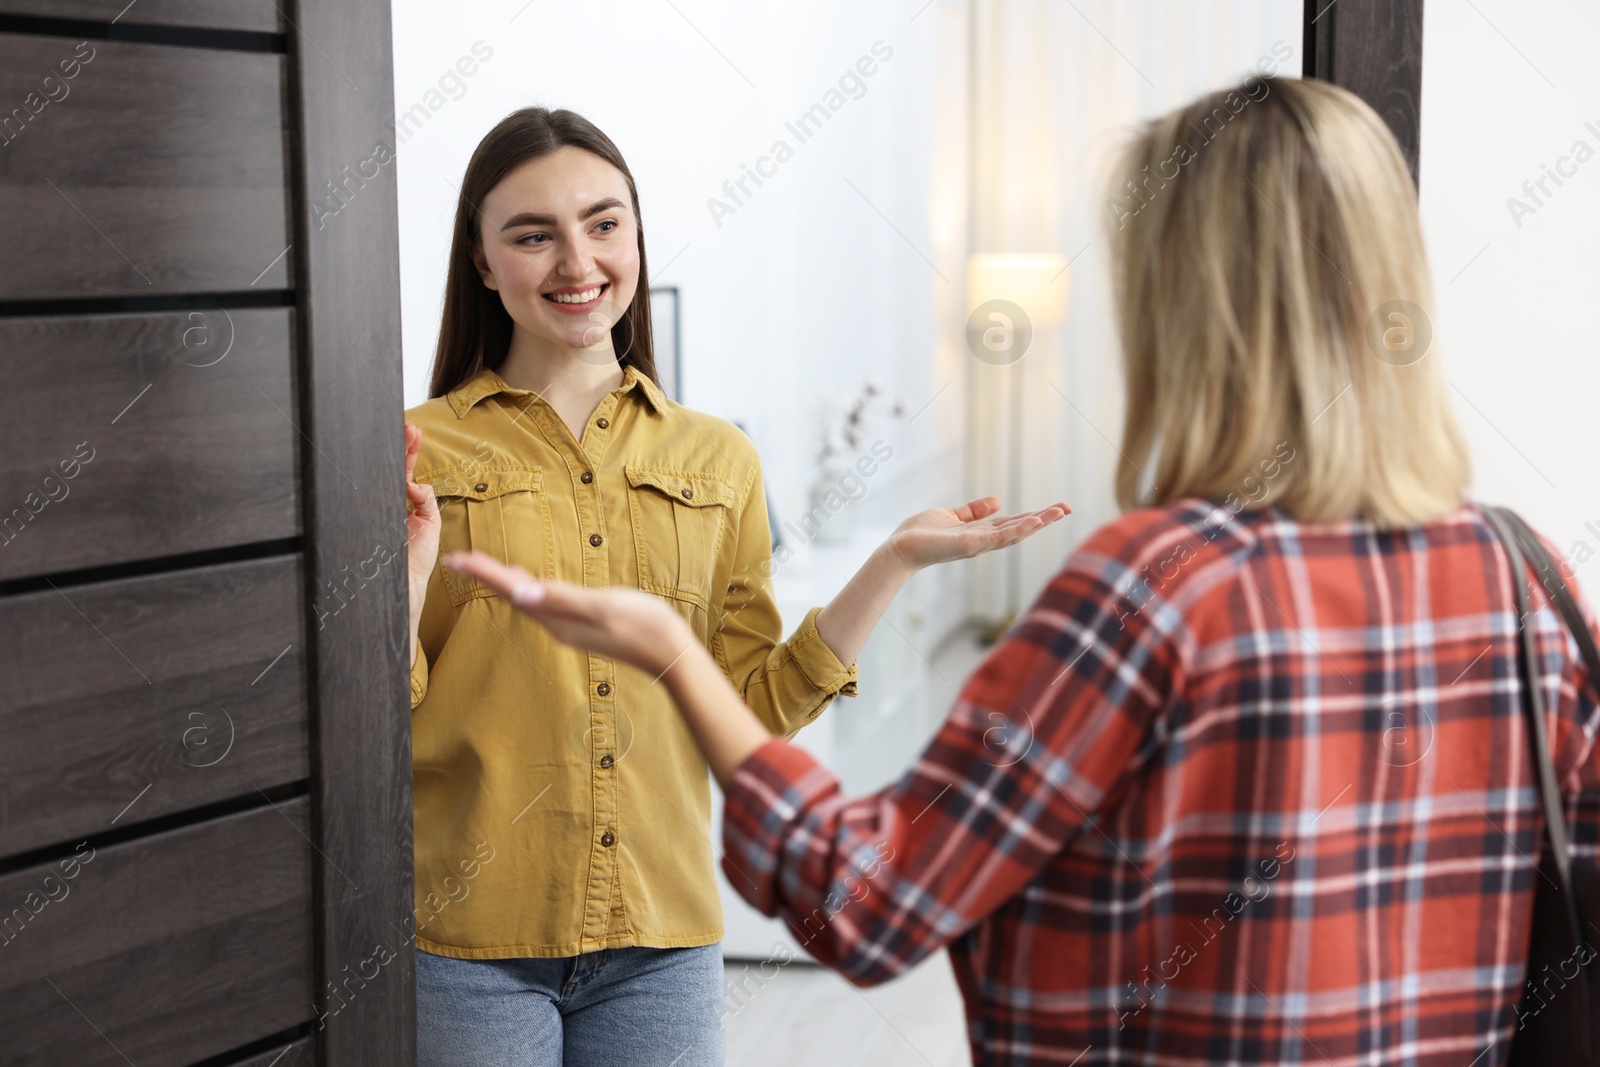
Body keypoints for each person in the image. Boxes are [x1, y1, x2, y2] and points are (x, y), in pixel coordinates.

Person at [443, 77, 1600, 1066]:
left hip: (663, 924)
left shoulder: (1160, 589)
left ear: (1184, 304)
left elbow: (868, 894)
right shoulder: (1526, 577)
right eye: (533, 232)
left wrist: (673, 655)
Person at [401, 106, 1068, 1066]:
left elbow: (751, 707)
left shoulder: (719, 457)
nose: (576, 262)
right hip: (472, 941)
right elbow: (373, 721)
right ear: (481, 261)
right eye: (532, 234)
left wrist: (895, 559)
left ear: (635, 231)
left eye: (603, 223)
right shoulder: (421, 450)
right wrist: (403, 583)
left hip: (662, 935)